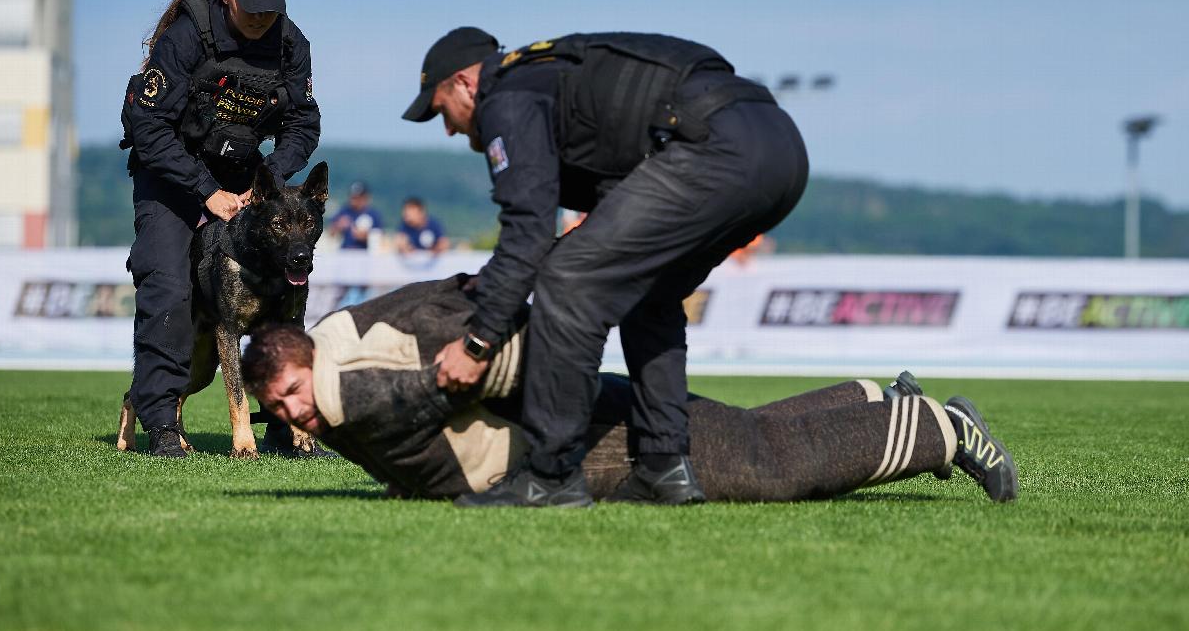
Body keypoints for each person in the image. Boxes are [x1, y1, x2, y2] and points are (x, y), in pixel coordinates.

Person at [400, 28, 810, 506]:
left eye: (441, 110)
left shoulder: (507, 98)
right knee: (648, 292)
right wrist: (503, 281)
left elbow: (528, 233)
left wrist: (477, 343)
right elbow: (603, 227)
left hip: (714, 146)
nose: (448, 130)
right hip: (780, 151)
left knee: (568, 283)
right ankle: (663, 467)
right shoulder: (555, 80)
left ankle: (550, 476)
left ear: (466, 83)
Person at [239, 276, 1020, 505]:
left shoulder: (350, 374)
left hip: (576, 436)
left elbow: (476, 350)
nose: (296, 412)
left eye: (294, 391)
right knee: (739, 429)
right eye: (278, 408)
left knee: (764, 465)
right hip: (568, 423)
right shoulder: (343, 343)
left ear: (310, 357)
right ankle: (876, 398)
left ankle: (940, 429)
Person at [119, 0, 321, 458]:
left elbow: (302, 124)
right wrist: (205, 191)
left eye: (269, 9)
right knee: (169, 285)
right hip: (172, 174)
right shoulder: (186, 36)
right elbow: (149, 126)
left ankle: (286, 426)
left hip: (244, 178)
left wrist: (269, 179)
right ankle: (162, 423)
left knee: (283, 290)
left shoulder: (291, 44)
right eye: (250, 6)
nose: (260, 18)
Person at [329, 181, 384, 250]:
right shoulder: (345, 211)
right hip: (346, 250)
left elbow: (380, 238)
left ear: (365, 197)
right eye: (352, 197)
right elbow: (331, 233)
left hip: (365, 252)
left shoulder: (374, 214)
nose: (354, 201)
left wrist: (365, 236)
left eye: (358, 198)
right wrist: (338, 226)